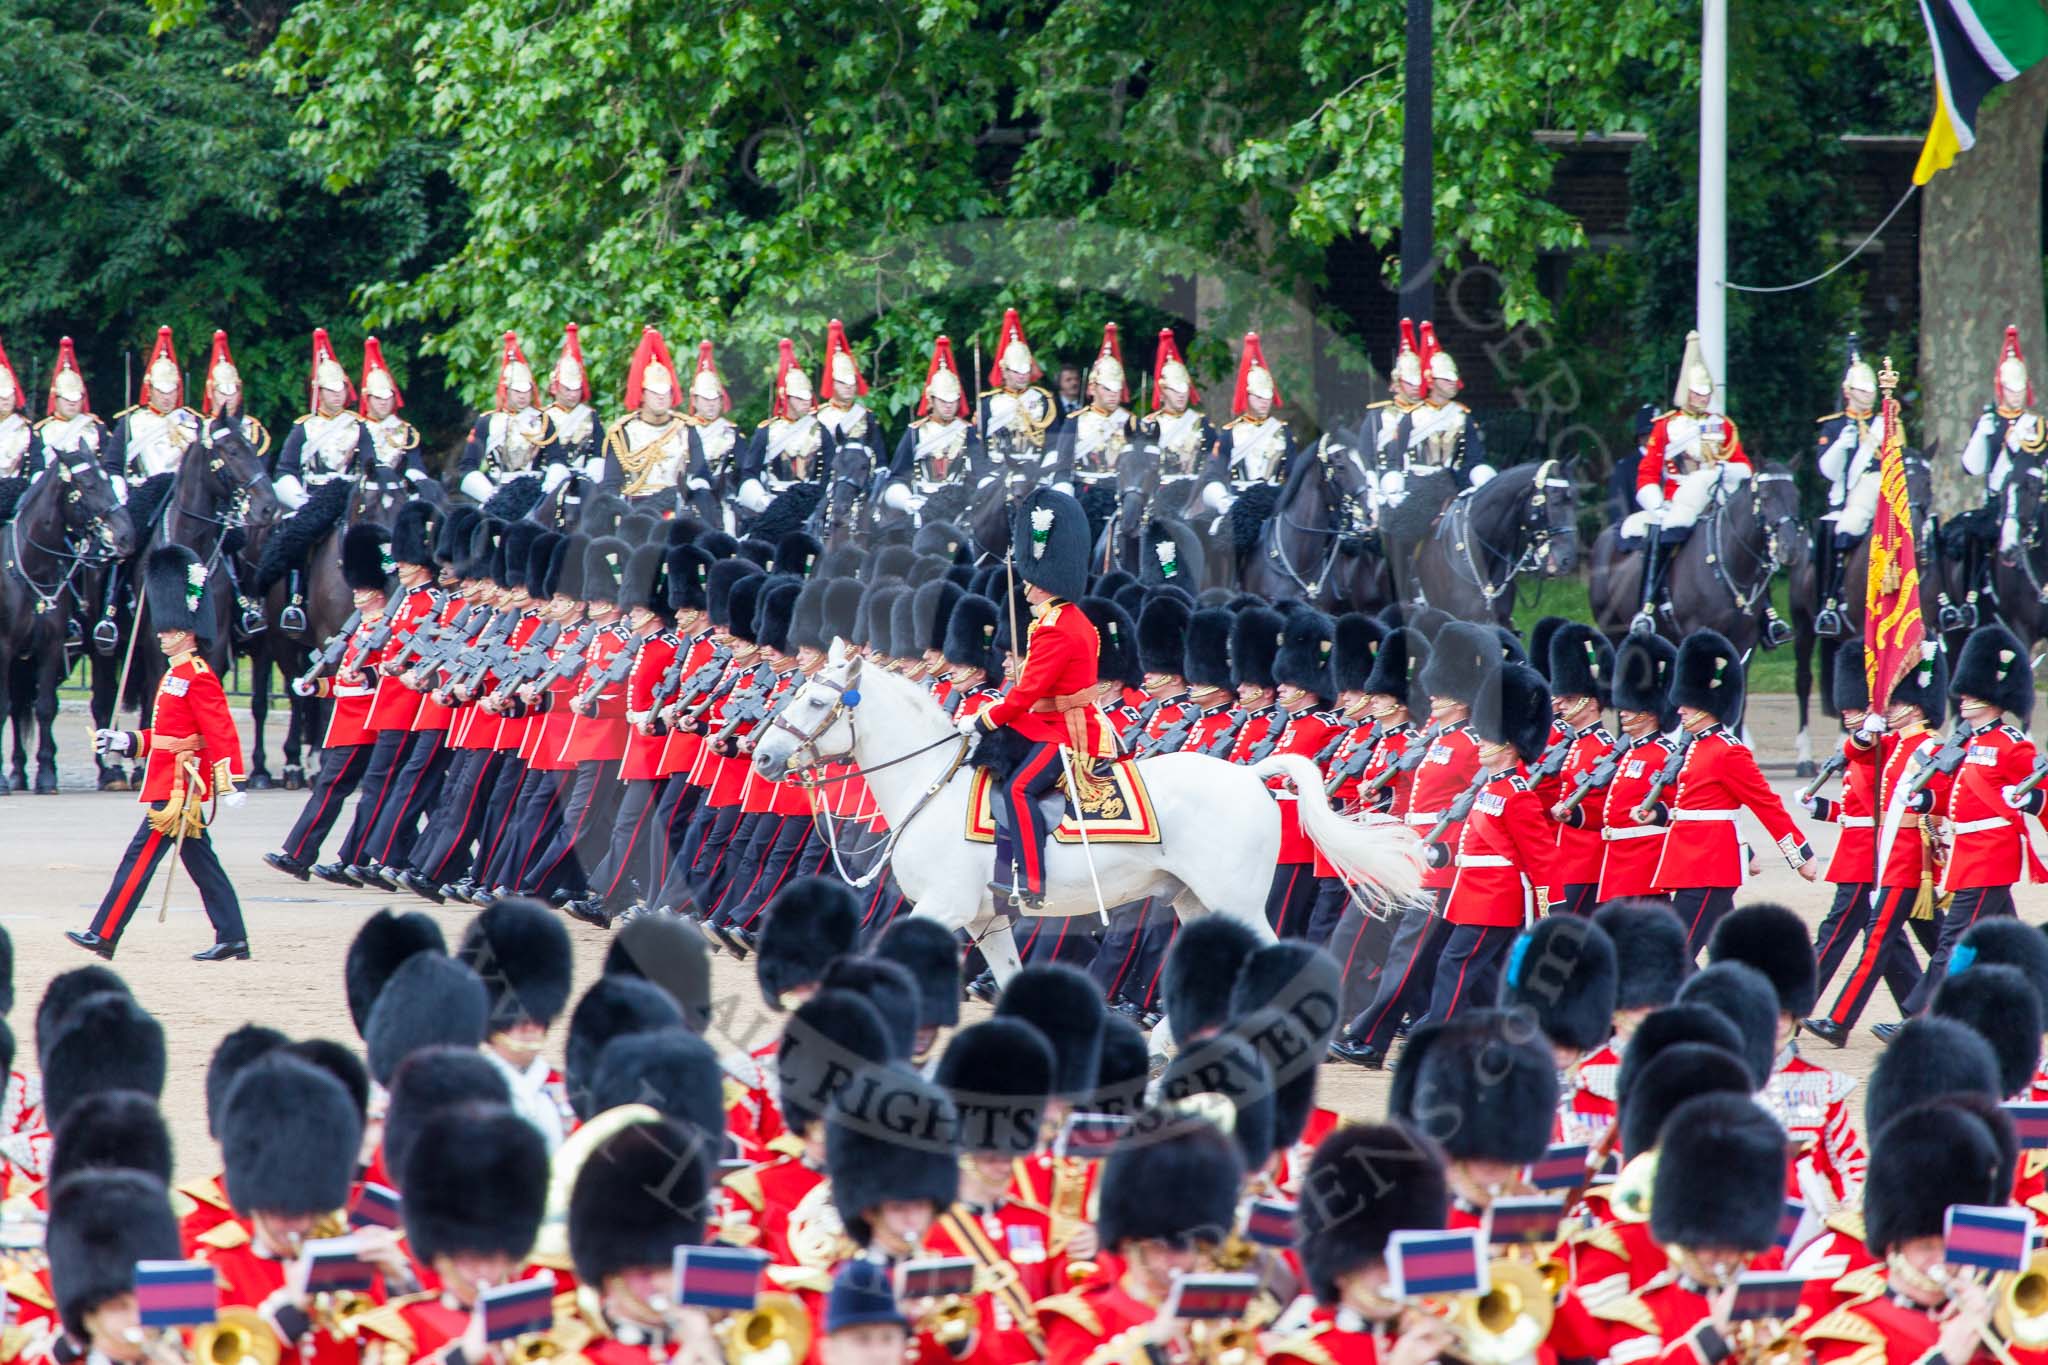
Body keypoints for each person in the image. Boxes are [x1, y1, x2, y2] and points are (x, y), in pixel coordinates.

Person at [73, 545, 249, 962]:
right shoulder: (176, 675)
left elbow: (219, 731)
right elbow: (167, 735)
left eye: (168, 631)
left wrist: (230, 781)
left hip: (177, 789)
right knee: (203, 863)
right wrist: (125, 742)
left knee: (139, 859)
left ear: (186, 632)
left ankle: (104, 932)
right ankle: (233, 936)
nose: (161, 634)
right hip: (168, 778)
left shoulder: (198, 676)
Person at [1332, 620, 1490, 1069]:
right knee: (1412, 951)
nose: (1432, 698)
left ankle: (1367, 1035)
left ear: (1460, 697)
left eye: (1440, 692)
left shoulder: (1471, 743)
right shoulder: (1435, 739)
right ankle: (1375, 1036)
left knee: (1411, 951)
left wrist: (1447, 848)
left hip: (1440, 858)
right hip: (1410, 850)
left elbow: (1478, 802)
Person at [958, 487, 1101, 912]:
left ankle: (1032, 877)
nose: (1025, 587)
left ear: (1044, 583)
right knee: (998, 775)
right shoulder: (1065, 620)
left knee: (1020, 788)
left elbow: (1028, 693)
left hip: (1064, 733)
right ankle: (1002, 873)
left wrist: (984, 720)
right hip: (1045, 724)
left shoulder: (1058, 627)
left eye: (1030, 581)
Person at [1804, 650, 1948, 1047]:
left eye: (1897, 702)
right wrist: (1866, 732)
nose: (1891, 708)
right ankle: (1934, 1012)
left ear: (1917, 707)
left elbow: (1941, 799)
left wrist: (1928, 809)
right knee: (1939, 943)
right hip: (1889, 855)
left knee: (1881, 939)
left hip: (1907, 859)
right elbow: (1858, 758)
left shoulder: (1929, 746)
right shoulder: (1896, 744)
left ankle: (1840, 1020)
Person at [1643, 629, 1817, 953]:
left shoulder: (1728, 751)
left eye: (1688, 702)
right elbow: (1691, 807)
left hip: (1709, 864)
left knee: (1675, 954)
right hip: (1693, 862)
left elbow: (1766, 804)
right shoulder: (1694, 747)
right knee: (1729, 955)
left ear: (1708, 703)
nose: (1679, 709)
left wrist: (1800, 855)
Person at [267, 523, 397, 884]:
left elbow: (386, 676)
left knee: (335, 789)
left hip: (365, 724)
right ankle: (375, 857)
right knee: (367, 792)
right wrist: (316, 688)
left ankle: (300, 853)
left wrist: (364, 680)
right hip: (349, 721)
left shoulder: (385, 630)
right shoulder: (358, 628)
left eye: (365, 588)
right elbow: (344, 682)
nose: (357, 594)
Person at [1273, 1123, 1456, 1365]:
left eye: (1401, 1259)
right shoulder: (1302, 1357)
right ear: (1340, 1270)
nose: (1392, 1274)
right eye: (1377, 1261)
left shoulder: (1439, 1343)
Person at [1630, 330, 1768, 639]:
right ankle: (1650, 605)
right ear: (1685, 392)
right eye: (1696, 391)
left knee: (1752, 539)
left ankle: (1767, 614)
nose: (1702, 397)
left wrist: (1724, 469)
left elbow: (1743, 466)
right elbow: (1648, 474)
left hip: (1719, 498)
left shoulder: (1724, 426)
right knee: (1668, 532)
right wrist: (1658, 504)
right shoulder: (1666, 427)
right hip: (1679, 500)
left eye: (1706, 391)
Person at [1955, 324, 2044, 630]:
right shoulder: (1990, 422)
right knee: (1971, 538)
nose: (2016, 396)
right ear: (2001, 389)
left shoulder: (2037, 425)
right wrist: (1983, 432)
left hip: (2030, 504)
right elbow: (1971, 466)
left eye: (2021, 390)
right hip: (1998, 505)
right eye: (2011, 389)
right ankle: (1970, 603)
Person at [1802, 642, 1879, 996]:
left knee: (1835, 931)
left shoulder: (1877, 747)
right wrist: (1821, 809)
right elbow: (1854, 812)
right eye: (1844, 709)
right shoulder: (1860, 748)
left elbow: (1875, 811)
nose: (1848, 714)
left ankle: (1798, 1001)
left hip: (1868, 855)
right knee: (1888, 946)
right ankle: (1918, 1008)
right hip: (1857, 850)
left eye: (1855, 707)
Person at [1813, 341, 1883, 638]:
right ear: (1848, 392)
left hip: (1880, 501)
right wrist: (1842, 445)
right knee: (1832, 534)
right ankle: (1830, 602)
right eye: (1861, 391)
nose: (1866, 396)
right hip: (1844, 502)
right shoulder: (1833, 426)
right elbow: (1826, 471)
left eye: (1870, 391)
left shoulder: (1886, 424)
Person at [1546, 623, 1617, 917]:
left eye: (1571, 700)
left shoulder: (1603, 746)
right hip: (1566, 859)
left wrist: (1575, 815)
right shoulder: (1574, 743)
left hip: (1587, 861)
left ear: (1591, 703)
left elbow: (1609, 808)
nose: (1561, 705)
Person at [272, 327, 375, 511]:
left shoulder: (358, 426)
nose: (337, 395)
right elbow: (285, 470)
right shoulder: (303, 427)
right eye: (331, 390)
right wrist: (301, 503)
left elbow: (370, 465)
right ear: (319, 392)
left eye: (341, 389)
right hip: (311, 499)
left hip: (349, 499)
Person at [457, 331, 564, 504]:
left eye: (526, 391)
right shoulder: (487, 421)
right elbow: (468, 466)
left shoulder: (543, 420)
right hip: (496, 492)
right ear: (506, 391)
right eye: (517, 391)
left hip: (536, 493)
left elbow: (557, 458)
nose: (522, 396)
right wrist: (491, 496)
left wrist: (548, 489)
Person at [1199, 332, 1294, 518]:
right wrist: (1223, 500)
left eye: (1267, 396)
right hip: (1240, 506)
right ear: (1247, 395)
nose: (1265, 402)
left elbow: (1292, 473)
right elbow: (1213, 476)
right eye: (1259, 396)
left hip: (1276, 507)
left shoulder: (1283, 431)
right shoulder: (1229, 434)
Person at [600, 327, 695, 509]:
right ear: (642, 394)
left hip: (678, 507)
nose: (661, 397)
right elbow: (611, 484)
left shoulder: (686, 429)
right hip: (635, 511)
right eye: (655, 392)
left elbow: (699, 473)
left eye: (666, 392)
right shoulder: (622, 433)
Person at [105, 326, 201, 489]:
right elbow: (112, 464)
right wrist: (119, 487)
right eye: (161, 391)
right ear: (149, 390)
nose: (166, 397)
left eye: (171, 390)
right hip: (144, 494)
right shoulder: (131, 421)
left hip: (184, 494)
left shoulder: (193, 420)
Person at [1052, 323, 1136, 493]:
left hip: (1122, 494)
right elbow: (1062, 467)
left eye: (1117, 388)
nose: (1113, 394)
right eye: (1107, 388)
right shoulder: (1075, 421)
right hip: (1085, 491)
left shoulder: (1132, 421)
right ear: (1092, 388)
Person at [979, 309, 1061, 481]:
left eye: (1026, 370)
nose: (1023, 375)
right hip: (997, 473)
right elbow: (979, 445)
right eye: (1017, 371)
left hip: (1035, 473)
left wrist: (1045, 472)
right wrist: (984, 476)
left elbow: (1053, 443)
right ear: (1005, 371)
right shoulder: (989, 402)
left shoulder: (1043, 399)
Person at [1136, 328, 1215, 481]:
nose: (1181, 394)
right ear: (1163, 390)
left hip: (1193, 493)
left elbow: (1213, 465)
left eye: (1184, 389)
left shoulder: (1202, 423)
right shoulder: (1148, 424)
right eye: (1175, 390)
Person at [357, 336, 430, 487]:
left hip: (400, 488)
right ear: (367, 398)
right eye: (378, 398)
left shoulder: (405, 430)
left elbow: (415, 465)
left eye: (388, 397)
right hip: (364, 489)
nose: (384, 402)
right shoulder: (355, 427)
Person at [816, 319, 890, 458]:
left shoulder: (866, 417)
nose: (849, 387)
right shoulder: (818, 417)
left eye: (852, 382)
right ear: (833, 383)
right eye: (843, 383)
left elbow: (879, 458)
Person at [199, 329, 271, 464]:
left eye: (233, 391)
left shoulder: (253, 429)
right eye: (222, 391)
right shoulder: (197, 428)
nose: (228, 398)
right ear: (210, 392)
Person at [545, 322, 602, 480]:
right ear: (556, 387)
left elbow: (598, 450)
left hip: (586, 477)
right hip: (550, 477)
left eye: (576, 389)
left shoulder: (591, 416)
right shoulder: (544, 416)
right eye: (567, 389)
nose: (572, 395)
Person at [0, 335, 39, 478]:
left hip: (16, 489)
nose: (5, 400)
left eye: (9, 395)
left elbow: (37, 463)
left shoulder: (25, 428)